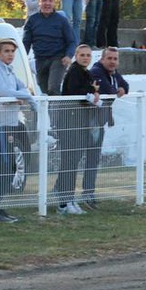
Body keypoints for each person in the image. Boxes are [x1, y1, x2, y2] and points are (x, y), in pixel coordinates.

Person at [0, 37, 32, 223]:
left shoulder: (9, 70)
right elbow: (4, 91)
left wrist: (21, 96)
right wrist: (23, 97)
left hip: (11, 122)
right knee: (3, 165)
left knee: (10, 166)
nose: (10, 54)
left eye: (12, 51)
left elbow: (23, 88)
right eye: (6, 51)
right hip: (0, 124)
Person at [55, 44, 100, 215]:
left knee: (73, 163)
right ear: (76, 55)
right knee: (69, 162)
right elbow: (76, 91)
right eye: (82, 55)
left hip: (79, 123)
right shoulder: (74, 71)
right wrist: (92, 90)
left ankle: (69, 199)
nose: (86, 58)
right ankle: (64, 202)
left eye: (88, 55)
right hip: (69, 123)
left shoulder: (85, 72)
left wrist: (94, 92)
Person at [85, 46, 128, 206]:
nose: (112, 62)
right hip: (86, 123)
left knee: (93, 159)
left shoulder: (114, 73)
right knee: (75, 160)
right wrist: (118, 89)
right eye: (109, 58)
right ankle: (70, 194)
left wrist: (121, 88)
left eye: (115, 59)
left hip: (98, 123)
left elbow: (125, 86)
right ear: (102, 59)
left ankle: (89, 194)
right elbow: (109, 90)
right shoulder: (97, 71)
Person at [22, 0, 75, 95]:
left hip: (58, 59)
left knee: (53, 88)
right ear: (39, 2)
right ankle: (49, 112)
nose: (47, 3)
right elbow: (26, 43)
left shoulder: (62, 20)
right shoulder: (32, 20)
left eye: (50, 0)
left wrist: (68, 55)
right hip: (40, 60)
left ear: (54, 3)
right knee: (45, 92)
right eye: (44, 0)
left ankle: (58, 112)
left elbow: (72, 41)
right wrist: (21, 59)